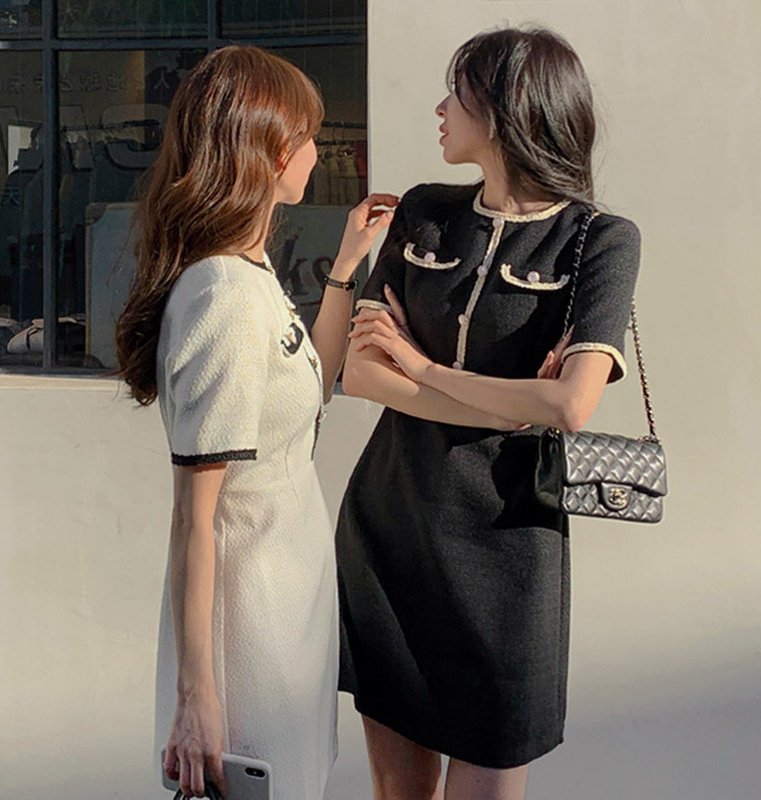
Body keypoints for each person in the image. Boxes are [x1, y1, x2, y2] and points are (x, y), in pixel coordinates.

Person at [337, 27, 641, 800]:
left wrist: (424, 368)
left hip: (510, 559)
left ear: (509, 109)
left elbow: (570, 404)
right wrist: (509, 408)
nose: (440, 108)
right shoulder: (424, 212)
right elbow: (359, 373)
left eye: (459, 92)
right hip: (391, 534)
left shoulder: (599, 242)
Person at [114, 46, 396, 800]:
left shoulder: (250, 272)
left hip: (287, 607)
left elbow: (314, 385)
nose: (319, 152)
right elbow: (194, 519)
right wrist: (196, 698)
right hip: (249, 636)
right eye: (310, 136)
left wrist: (346, 266)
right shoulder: (226, 298)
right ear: (272, 152)